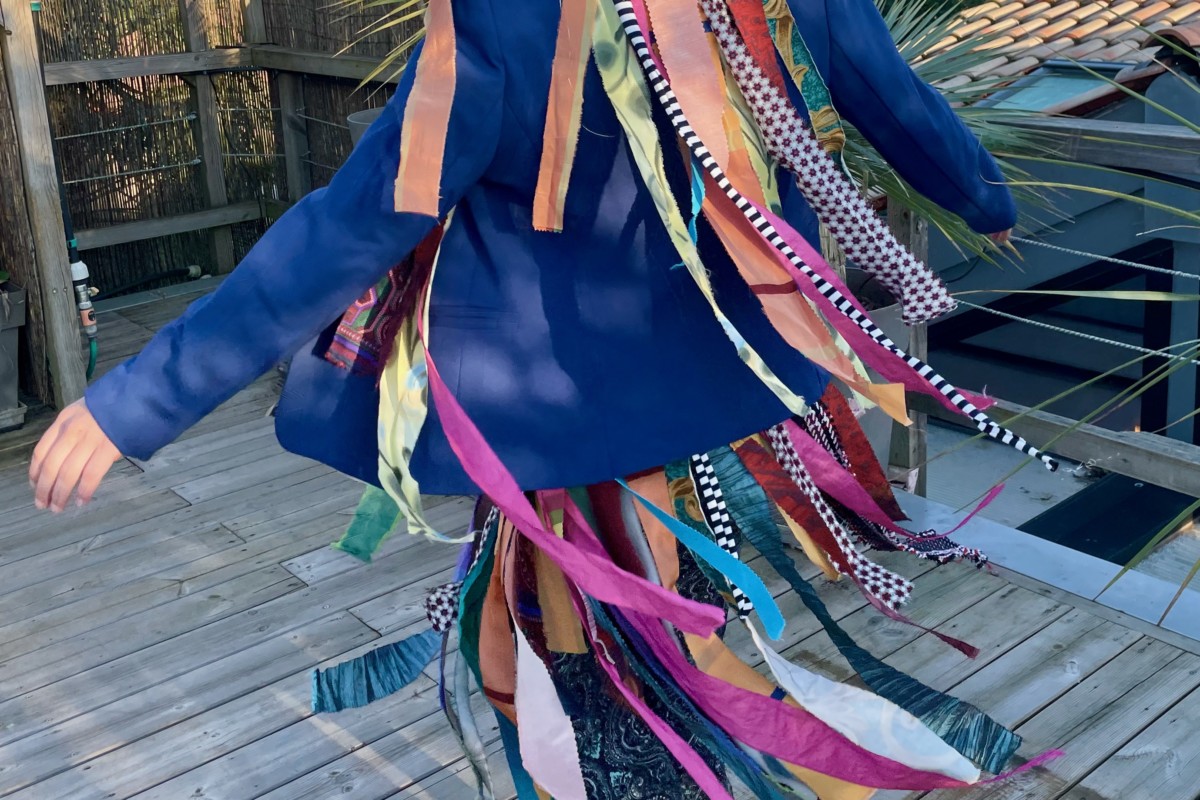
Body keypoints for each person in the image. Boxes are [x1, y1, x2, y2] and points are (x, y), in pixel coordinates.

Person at [30, 0, 1041, 797]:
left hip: (550, 424)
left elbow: (356, 221)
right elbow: (887, 94)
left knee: (593, 657)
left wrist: (140, 398)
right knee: (652, 626)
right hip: (709, 385)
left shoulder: (499, 15)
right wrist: (981, 197)